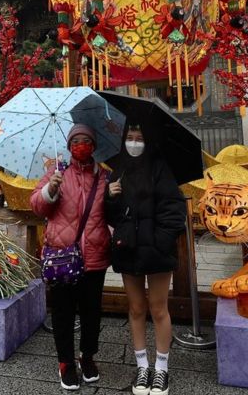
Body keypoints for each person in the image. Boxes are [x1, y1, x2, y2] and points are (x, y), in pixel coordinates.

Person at [105, 123, 186, 395]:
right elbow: (110, 216)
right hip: (128, 248)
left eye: (139, 138)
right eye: (129, 137)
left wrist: (161, 241)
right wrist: (110, 198)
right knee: (137, 307)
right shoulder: (119, 169)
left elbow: (174, 209)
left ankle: (161, 368)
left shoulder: (161, 168)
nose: (134, 142)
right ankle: (142, 366)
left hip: (157, 249)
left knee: (159, 307)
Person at [30, 124, 112, 390]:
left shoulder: (105, 178)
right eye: (75, 140)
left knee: (92, 313)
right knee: (63, 313)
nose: (81, 144)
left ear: (94, 145)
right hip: (63, 256)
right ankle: (65, 362)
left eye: (86, 140)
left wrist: (113, 197)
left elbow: (113, 212)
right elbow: (37, 205)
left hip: (95, 256)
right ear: (68, 146)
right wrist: (49, 190)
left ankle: (87, 357)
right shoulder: (56, 174)